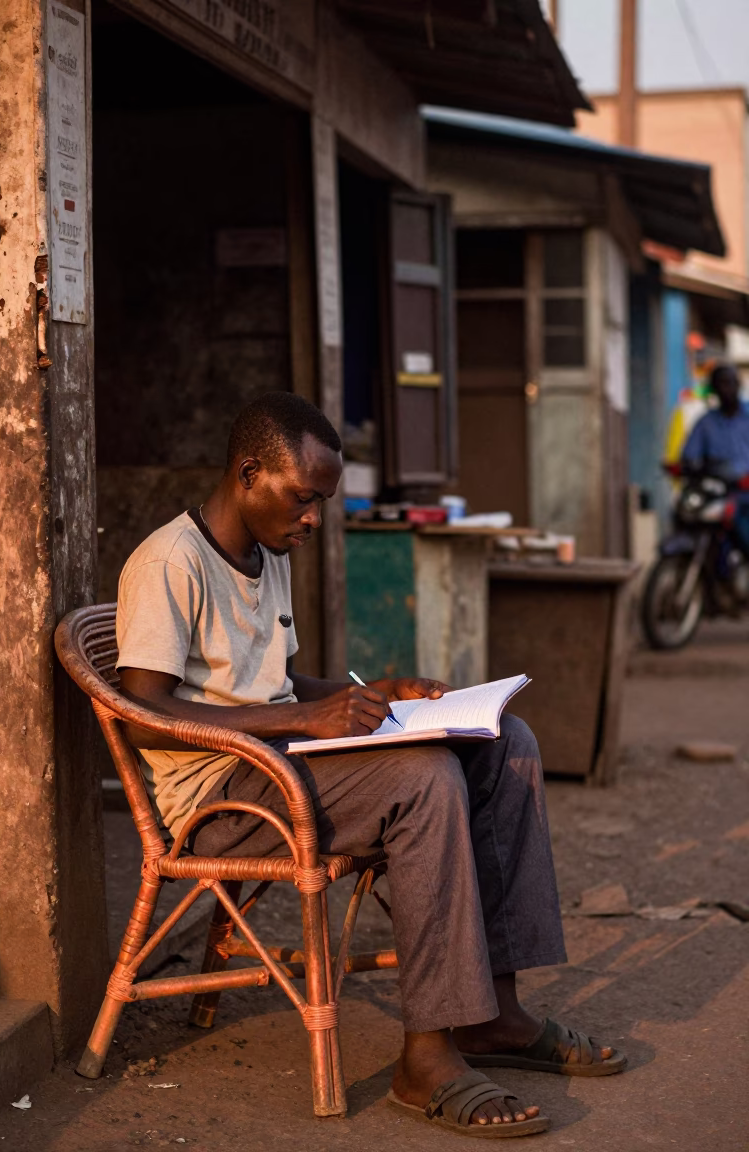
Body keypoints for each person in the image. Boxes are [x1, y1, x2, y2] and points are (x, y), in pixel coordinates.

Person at [116, 392, 626, 1138]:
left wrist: (375, 694)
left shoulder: (265, 553)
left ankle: (497, 1014)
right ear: (249, 472)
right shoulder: (171, 562)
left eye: (320, 502)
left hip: (282, 767)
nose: (313, 519)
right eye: (304, 498)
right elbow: (145, 720)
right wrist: (300, 718)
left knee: (505, 745)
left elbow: (285, 691)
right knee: (424, 780)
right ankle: (426, 1060)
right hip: (223, 803)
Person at [681, 362, 749, 552]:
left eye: (730, 383)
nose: (726, 389)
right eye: (721, 384)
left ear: (738, 385)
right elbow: (690, 455)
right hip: (716, 493)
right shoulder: (706, 422)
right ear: (714, 389)